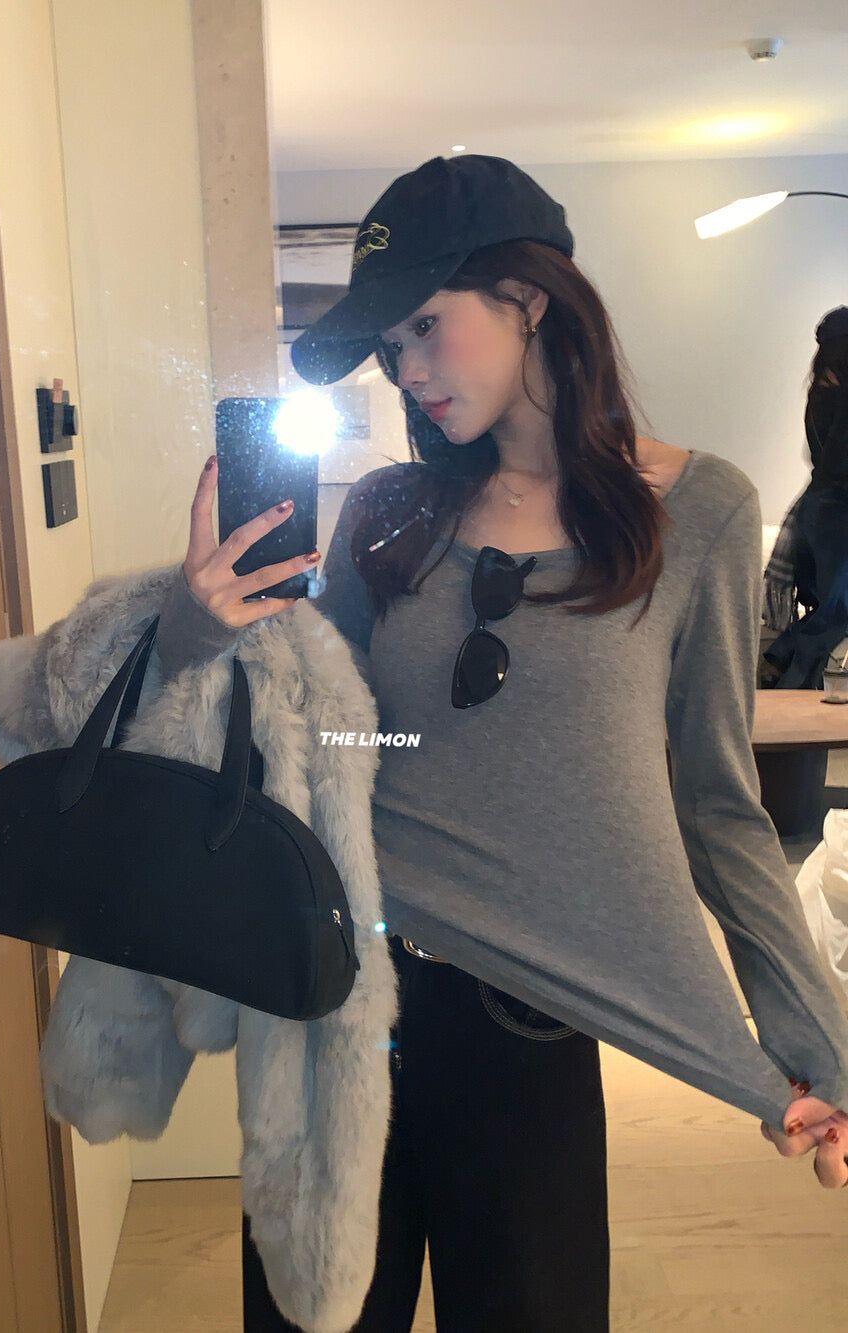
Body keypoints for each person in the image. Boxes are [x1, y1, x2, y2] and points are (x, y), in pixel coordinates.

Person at [168, 156, 848, 1331]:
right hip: (337, 1003)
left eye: (426, 327)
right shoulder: (388, 509)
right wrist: (202, 628)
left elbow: (715, 806)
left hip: (529, 1019)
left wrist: (814, 1045)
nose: (407, 372)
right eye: (391, 348)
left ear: (529, 299)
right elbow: (312, 732)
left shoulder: (700, 514)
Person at [763, 305, 848, 688]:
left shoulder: (820, 390)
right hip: (838, 511)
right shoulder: (841, 394)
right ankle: (787, 684)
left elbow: (819, 456)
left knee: (828, 607)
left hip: (816, 508)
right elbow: (838, 461)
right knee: (837, 611)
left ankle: (779, 662)